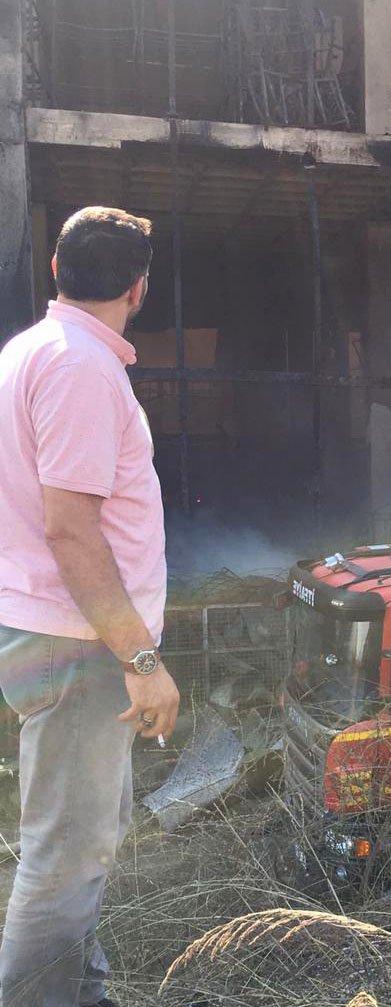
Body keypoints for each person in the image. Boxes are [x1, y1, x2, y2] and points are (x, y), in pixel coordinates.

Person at [0, 207, 180, 1007]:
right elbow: (72, 532)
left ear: (56, 270)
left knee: (84, 841)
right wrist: (141, 659)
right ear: (138, 288)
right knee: (66, 854)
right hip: (83, 645)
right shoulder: (78, 368)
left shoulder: (31, 353)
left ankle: (85, 992)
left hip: (59, 634)